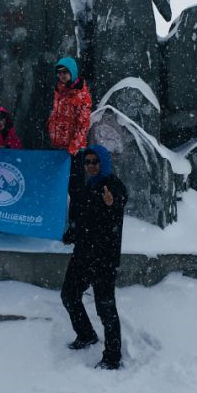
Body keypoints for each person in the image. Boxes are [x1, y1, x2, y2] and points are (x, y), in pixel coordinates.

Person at [60, 144, 128, 370]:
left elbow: (118, 202)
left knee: (105, 308)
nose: (90, 166)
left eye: (95, 162)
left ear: (104, 163)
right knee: (69, 295)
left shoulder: (113, 185)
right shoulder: (84, 187)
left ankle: (112, 356)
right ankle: (86, 334)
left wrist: (112, 202)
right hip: (82, 255)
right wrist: (71, 233)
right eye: (87, 162)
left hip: (104, 259)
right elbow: (81, 219)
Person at [48, 56, 92, 155]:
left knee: (72, 170)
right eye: (59, 72)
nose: (62, 75)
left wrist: (74, 146)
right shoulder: (59, 90)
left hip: (72, 150)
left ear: (72, 72)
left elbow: (83, 124)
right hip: (57, 145)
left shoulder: (81, 94)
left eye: (65, 72)